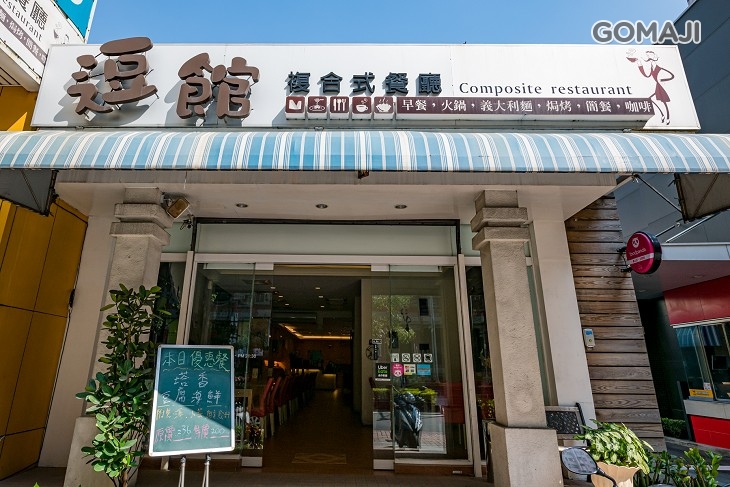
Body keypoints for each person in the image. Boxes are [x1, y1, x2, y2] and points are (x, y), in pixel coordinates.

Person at [627, 49, 675, 125]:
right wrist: (639, 63)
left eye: (650, 56)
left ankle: (667, 117)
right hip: (657, 86)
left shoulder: (659, 68)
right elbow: (646, 75)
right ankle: (663, 115)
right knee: (656, 100)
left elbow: (671, 76)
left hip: (660, 86)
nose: (648, 58)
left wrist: (662, 80)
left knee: (663, 101)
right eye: (648, 56)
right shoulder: (651, 68)